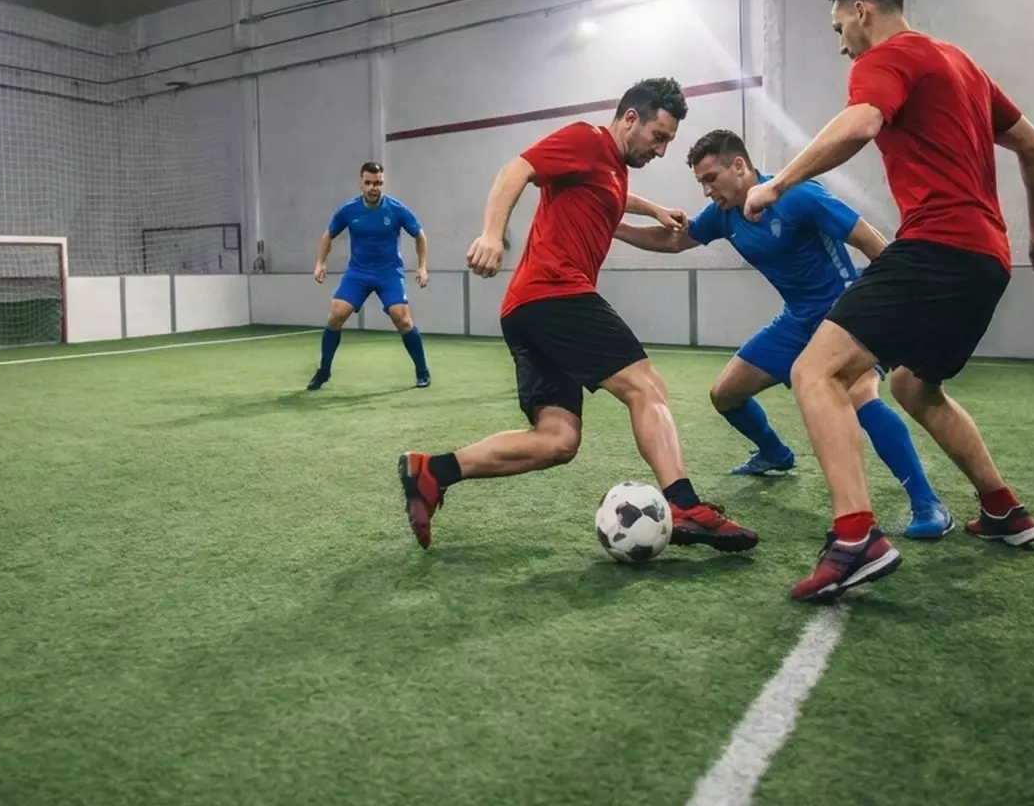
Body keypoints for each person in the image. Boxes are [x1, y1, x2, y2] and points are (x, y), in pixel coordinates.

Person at [741, 0, 1034, 602]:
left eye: (840, 27)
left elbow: (860, 125)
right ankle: (1003, 508)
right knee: (915, 385)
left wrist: (778, 184)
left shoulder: (888, 57)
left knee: (815, 372)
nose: (841, 44)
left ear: (864, 10)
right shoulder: (961, 66)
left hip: (937, 245)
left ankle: (856, 537)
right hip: (987, 258)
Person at [397, 78, 758, 553]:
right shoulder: (586, 139)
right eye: (659, 136)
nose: (662, 150)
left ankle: (432, 471)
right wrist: (491, 233)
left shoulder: (609, 169)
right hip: (556, 294)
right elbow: (517, 169)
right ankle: (684, 504)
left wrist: (652, 208)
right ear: (631, 119)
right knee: (645, 386)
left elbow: (611, 196)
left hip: (526, 309)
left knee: (557, 440)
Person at [615, 129, 955, 539]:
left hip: (845, 312)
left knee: (860, 398)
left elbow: (872, 241)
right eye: (701, 183)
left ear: (739, 166)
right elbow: (671, 242)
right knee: (725, 394)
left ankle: (927, 502)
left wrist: (893, 308)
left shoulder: (798, 195)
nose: (706, 191)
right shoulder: (725, 214)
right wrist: (612, 226)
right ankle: (776, 454)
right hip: (796, 320)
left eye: (710, 178)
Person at [309, 162, 432, 389]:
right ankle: (324, 371)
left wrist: (422, 267)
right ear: (361, 184)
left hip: (389, 273)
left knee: (402, 319)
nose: (373, 188)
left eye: (378, 183)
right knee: (336, 315)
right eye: (368, 183)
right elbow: (328, 236)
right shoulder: (348, 210)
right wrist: (321, 263)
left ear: (382, 183)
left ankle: (422, 371)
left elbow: (420, 236)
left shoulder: (396, 209)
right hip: (358, 273)